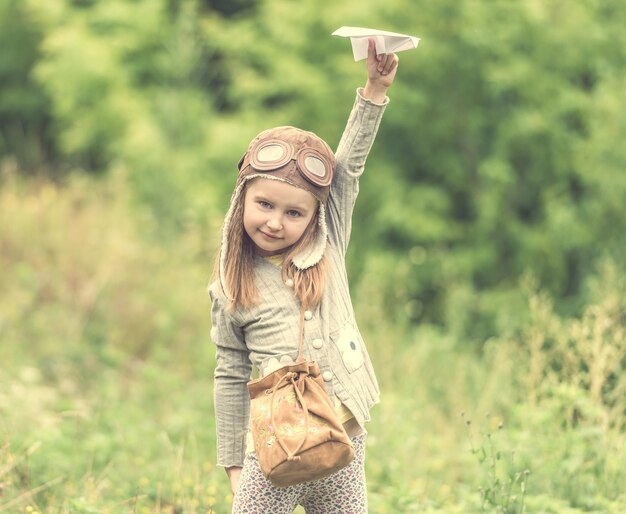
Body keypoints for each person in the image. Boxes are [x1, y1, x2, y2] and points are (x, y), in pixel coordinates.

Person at [208, 38, 399, 513]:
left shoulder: (328, 241)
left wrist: (373, 90)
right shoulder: (231, 286)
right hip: (274, 454)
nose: (275, 221)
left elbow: (348, 168)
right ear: (242, 202)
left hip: (343, 445)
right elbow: (230, 374)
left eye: (294, 212)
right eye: (264, 205)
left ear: (315, 216)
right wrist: (234, 465)